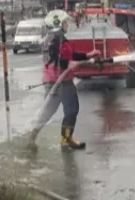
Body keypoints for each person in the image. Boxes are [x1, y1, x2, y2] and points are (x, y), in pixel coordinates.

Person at [27, 18, 99, 150]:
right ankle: (66, 139)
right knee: (72, 110)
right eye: (65, 23)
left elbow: (67, 55)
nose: (67, 25)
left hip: (50, 80)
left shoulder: (48, 38)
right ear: (59, 25)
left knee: (47, 110)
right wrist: (72, 64)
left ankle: (32, 136)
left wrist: (88, 55)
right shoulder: (61, 40)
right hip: (63, 81)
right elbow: (64, 61)